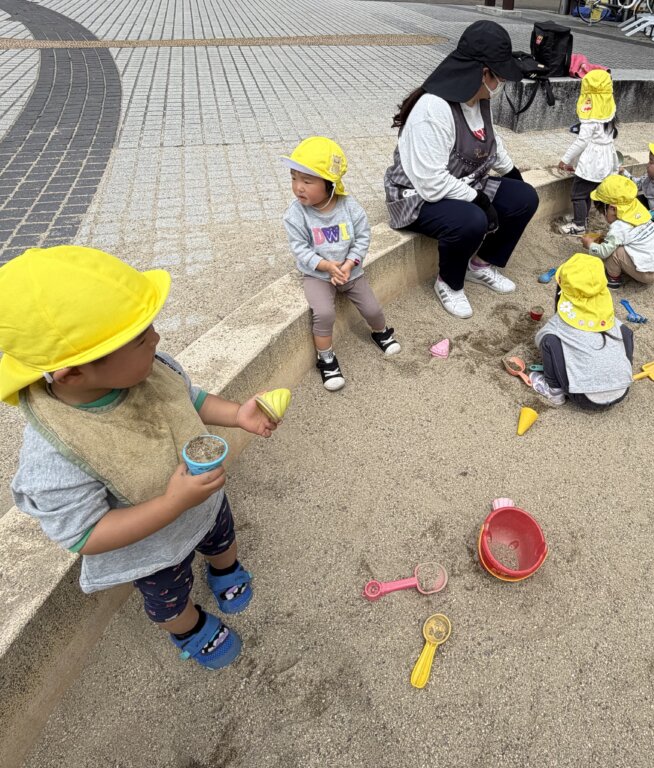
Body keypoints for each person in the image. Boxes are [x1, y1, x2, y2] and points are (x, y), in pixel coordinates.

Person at [1, 246, 278, 670]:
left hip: (204, 504)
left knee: (222, 538)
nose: (156, 339)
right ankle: (191, 629)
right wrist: (171, 504)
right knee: (169, 600)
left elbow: (185, 399)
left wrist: (237, 414)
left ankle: (225, 570)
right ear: (73, 373)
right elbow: (84, 534)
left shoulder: (150, 370)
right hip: (152, 549)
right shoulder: (58, 452)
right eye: (139, 338)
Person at [384, 20, 539, 319]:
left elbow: (493, 144)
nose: (501, 83)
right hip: (417, 196)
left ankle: (479, 265)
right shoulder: (433, 109)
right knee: (472, 219)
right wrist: (480, 201)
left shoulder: (478, 99)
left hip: (460, 183)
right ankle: (449, 283)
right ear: (483, 73)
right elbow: (430, 183)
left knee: (524, 198)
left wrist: (513, 177)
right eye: (499, 76)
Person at [283, 136, 400, 392]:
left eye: (307, 181)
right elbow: (300, 248)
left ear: (330, 183)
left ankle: (380, 332)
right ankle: (326, 359)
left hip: (351, 271)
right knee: (324, 313)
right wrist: (325, 266)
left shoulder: (350, 207)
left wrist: (349, 264)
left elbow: (363, 237)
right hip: (317, 275)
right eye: (293, 178)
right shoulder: (295, 214)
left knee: (372, 308)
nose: (298, 187)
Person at [530, 253, 634, 410]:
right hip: (622, 390)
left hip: (584, 397)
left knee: (549, 341)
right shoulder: (609, 319)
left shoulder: (559, 323)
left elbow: (540, 341)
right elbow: (627, 334)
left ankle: (554, 392)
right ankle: (619, 371)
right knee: (624, 331)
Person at [580, 175, 654, 288]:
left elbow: (604, 252)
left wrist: (590, 245)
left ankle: (613, 279)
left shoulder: (619, 227)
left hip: (648, 273)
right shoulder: (640, 214)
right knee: (618, 244)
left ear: (612, 209)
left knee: (614, 251)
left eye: (603, 212)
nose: (603, 216)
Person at [557, 69, 618, 236]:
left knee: (578, 194)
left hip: (592, 163)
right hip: (604, 160)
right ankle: (581, 217)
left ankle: (579, 226)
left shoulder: (591, 119)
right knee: (587, 193)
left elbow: (582, 142)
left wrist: (565, 159)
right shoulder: (608, 115)